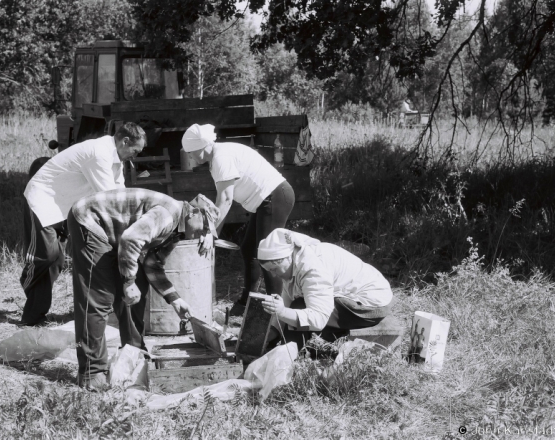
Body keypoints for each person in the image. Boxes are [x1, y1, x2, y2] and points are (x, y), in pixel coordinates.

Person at [68, 188, 219, 390]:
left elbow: (152, 264)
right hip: (90, 219)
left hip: (116, 234)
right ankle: (91, 372)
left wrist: (175, 299)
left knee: (136, 290)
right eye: (205, 227)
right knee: (98, 297)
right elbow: (130, 239)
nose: (204, 233)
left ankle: (134, 353)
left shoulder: (177, 232)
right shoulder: (169, 214)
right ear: (193, 213)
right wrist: (128, 282)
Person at [20, 123, 146, 326]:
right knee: (46, 256)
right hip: (42, 200)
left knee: (56, 261)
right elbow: (108, 200)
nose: (135, 156)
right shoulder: (99, 154)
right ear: (125, 141)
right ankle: (28, 275)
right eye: (135, 151)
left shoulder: (116, 159)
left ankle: (33, 317)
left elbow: (120, 194)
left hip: (62, 204)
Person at [181, 124, 295, 315]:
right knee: (249, 249)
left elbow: (225, 199)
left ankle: (278, 310)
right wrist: (214, 231)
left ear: (201, 147)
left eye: (191, 153)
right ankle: (247, 304)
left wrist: (210, 232)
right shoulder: (217, 156)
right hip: (265, 201)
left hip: (275, 196)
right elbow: (222, 205)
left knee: (267, 254)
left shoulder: (220, 157)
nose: (190, 157)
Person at [257, 228, 395, 350]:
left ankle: (289, 358)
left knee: (299, 307)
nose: (274, 275)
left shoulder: (313, 267)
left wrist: (282, 312)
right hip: (354, 296)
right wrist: (273, 331)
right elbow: (287, 300)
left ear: (286, 258)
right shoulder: (292, 262)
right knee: (294, 311)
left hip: (370, 305)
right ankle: (287, 350)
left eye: (274, 269)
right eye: (270, 271)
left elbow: (318, 318)